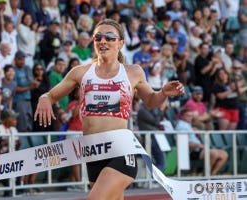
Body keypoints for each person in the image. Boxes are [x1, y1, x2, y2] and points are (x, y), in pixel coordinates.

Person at [34, 19, 184, 200]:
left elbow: (151, 101)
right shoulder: (80, 72)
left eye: (110, 37)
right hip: (93, 153)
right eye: (98, 37)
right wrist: (44, 98)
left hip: (121, 150)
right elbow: (50, 95)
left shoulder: (133, 72)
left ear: (120, 43)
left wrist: (163, 93)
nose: (103, 41)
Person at [175, 108, 228, 176]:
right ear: (182, 116)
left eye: (191, 116)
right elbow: (182, 142)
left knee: (224, 154)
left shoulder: (187, 125)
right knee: (213, 153)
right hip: (192, 151)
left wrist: (194, 131)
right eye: (187, 115)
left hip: (199, 149)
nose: (190, 117)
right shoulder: (181, 126)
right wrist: (198, 145)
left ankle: (212, 174)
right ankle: (205, 174)